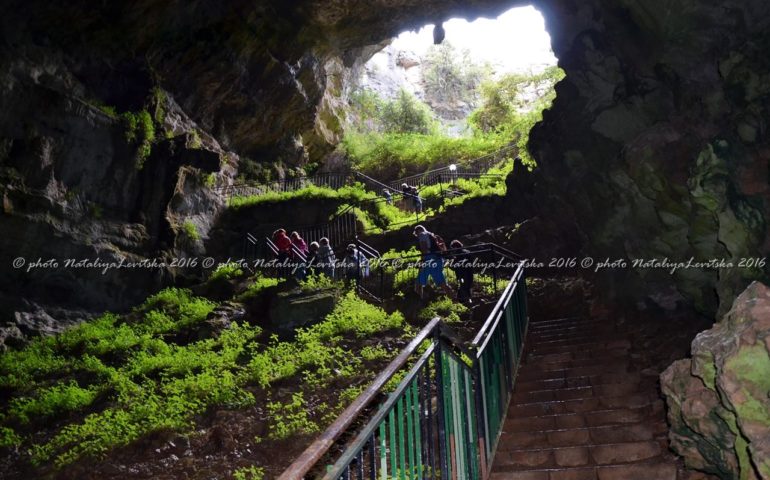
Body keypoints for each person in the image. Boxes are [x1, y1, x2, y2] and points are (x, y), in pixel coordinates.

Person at [413, 225, 453, 299]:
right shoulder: (431, 235)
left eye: (416, 234)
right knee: (443, 283)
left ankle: (419, 303)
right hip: (437, 259)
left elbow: (424, 249)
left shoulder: (422, 235)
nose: (417, 236)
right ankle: (454, 300)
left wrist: (422, 261)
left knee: (418, 284)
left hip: (428, 260)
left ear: (418, 231)